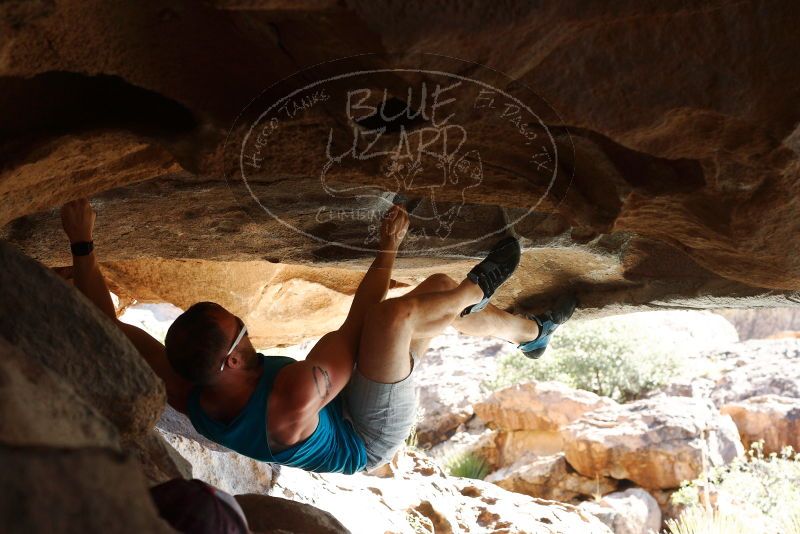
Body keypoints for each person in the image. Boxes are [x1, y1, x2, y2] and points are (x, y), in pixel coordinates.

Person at [60, 198, 575, 474]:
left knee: (428, 300)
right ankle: (475, 287)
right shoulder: (292, 395)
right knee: (398, 319)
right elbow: (362, 321)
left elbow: (109, 326)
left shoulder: (189, 381)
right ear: (233, 362)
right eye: (240, 329)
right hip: (364, 434)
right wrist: (388, 248)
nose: (245, 323)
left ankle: (532, 333)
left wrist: (82, 242)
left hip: (331, 404)